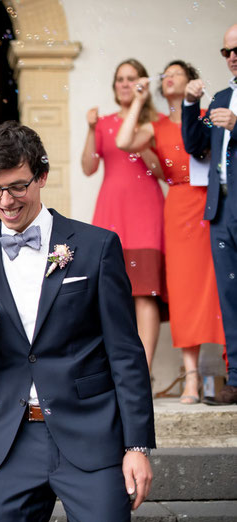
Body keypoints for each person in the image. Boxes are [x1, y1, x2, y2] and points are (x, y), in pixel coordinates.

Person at [0, 121, 155, 522]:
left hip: (92, 437)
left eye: (18, 186)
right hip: (10, 444)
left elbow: (126, 353)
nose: (6, 201)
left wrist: (137, 445)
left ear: (42, 176)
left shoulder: (97, 246)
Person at [116, 61, 225, 404]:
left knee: (222, 285)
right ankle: (191, 378)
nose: (169, 77)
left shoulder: (209, 114)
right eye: (166, 75)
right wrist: (138, 98)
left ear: (192, 81)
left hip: (214, 203)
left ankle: (229, 369)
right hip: (178, 207)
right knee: (185, 292)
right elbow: (123, 141)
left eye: (176, 72)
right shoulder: (156, 126)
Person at [81, 58, 165, 373]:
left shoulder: (155, 123)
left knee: (144, 293)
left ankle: (144, 370)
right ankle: (114, 371)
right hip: (110, 213)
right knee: (111, 295)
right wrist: (91, 129)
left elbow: (162, 171)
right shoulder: (102, 123)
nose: (125, 84)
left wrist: (138, 141)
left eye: (131, 78)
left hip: (145, 213)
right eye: (120, 79)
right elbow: (88, 167)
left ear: (143, 83)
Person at [182, 23, 237, 405]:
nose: (232, 57)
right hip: (221, 210)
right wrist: (188, 105)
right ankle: (235, 378)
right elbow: (195, 144)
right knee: (230, 296)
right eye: (226, 52)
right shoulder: (220, 97)